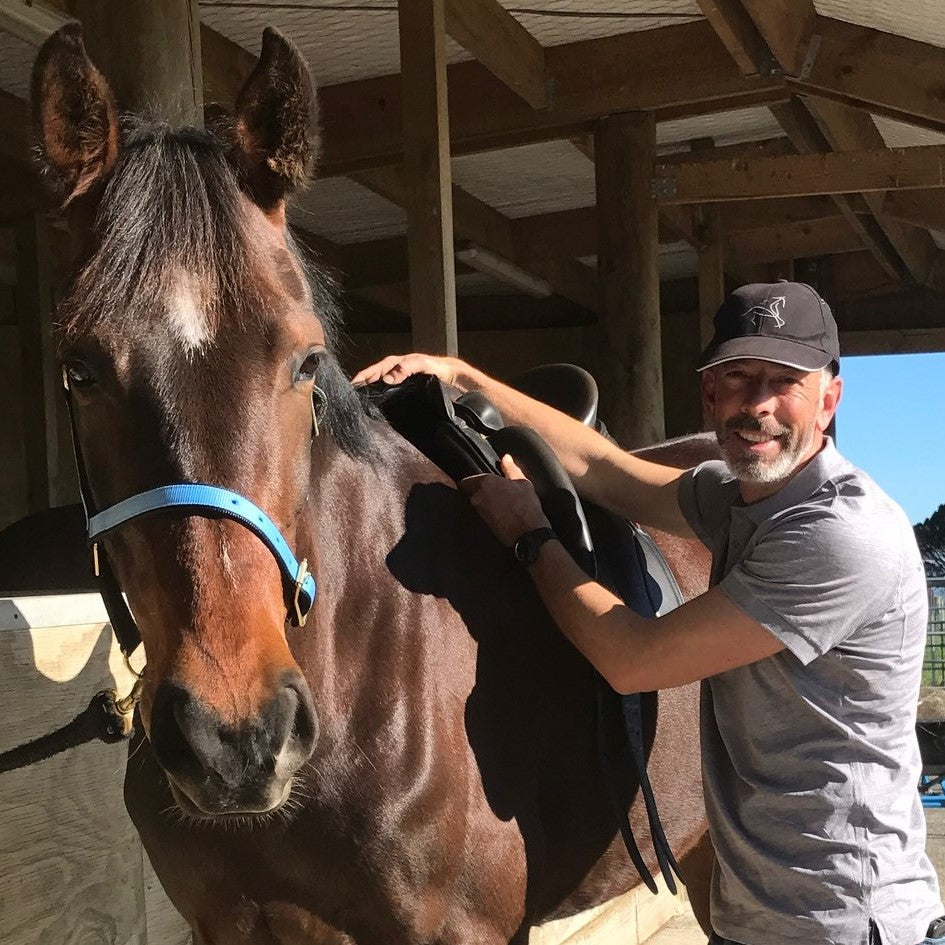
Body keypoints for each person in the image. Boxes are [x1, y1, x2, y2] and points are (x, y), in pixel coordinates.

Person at [353, 281, 943, 945]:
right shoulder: (738, 499)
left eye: (784, 382)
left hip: (842, 921)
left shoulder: (836, 532)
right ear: (709, 395)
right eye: (738, 378)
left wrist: (529, 534)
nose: (757, 404)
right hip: (760, 916)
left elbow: (635, 658)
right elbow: (603, 468)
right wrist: (461, 374)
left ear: (828, 399)